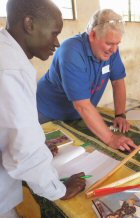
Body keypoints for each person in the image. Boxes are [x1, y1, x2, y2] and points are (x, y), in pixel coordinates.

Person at [0, 0, 86, 217]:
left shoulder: (8, 54)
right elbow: (23, 148)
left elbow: (11, 127)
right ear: (29, 24)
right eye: (54, 32)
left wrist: (37, 143)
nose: (56, 42)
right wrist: (57, 189)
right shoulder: (11, 69)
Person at [36, 9, 136, 152]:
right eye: (109, 43)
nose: (114, 49)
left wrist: (120, 114)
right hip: (47, 115)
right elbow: (82, 105)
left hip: (77, 115)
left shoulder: (112, 50)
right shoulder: (71, 51)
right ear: (93, 35)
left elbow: (117, 81)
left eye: (117, 44)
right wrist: (111, 138)